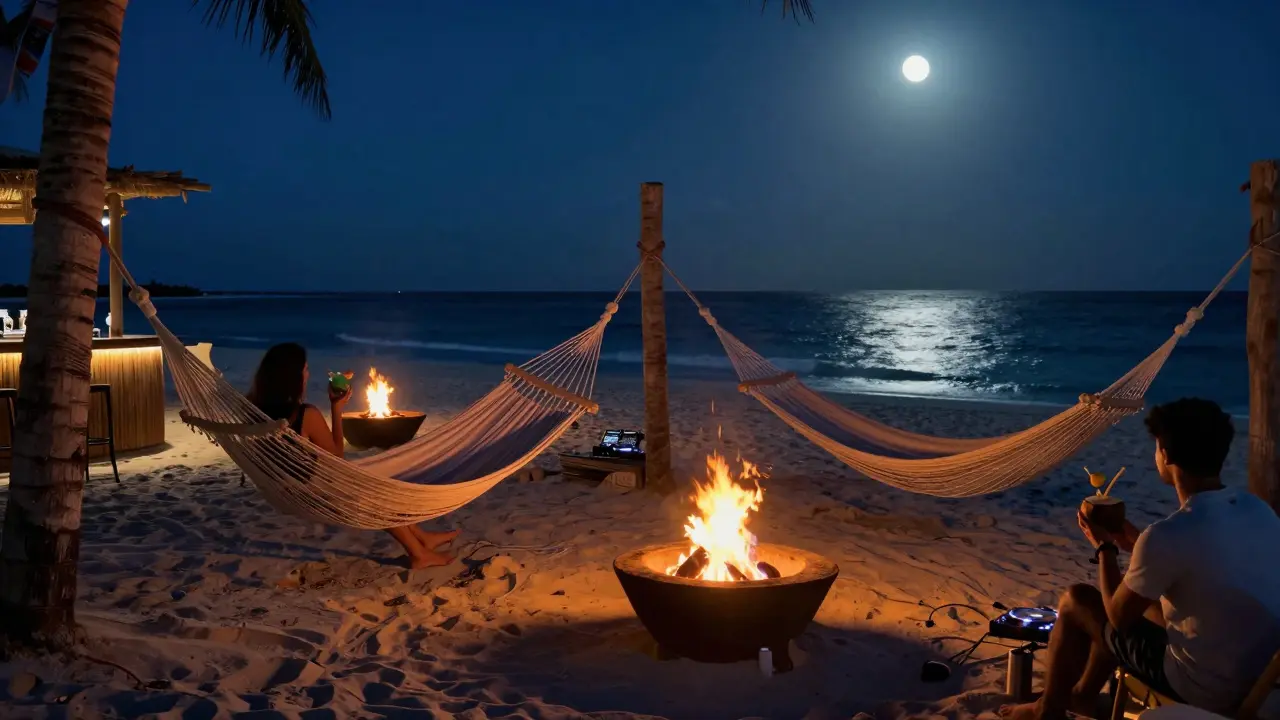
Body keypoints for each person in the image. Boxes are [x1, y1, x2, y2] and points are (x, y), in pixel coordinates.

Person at [1001, 397, 1280, 720]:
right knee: (1139, 599)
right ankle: (1081, 696)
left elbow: (1118, 618)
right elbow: (1200, 561)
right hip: (1261, 682)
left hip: (1204, 687)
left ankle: (1047, 709)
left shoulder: (1169, 533)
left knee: (1078, 601)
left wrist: (1104, 548)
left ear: (1165, 454)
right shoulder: (1257, 510)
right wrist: (1134, 541)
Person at [248, 343, 458, 569]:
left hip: (281, 488)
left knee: (372, 482)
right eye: (305, 369)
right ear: (292, 377)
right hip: (312, 492)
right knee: (372, 489)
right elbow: (337, 458)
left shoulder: (251, 411)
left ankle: (422, 538)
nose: (308, 374)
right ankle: (418, 554)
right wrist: (337, 407)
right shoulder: (305, 414)